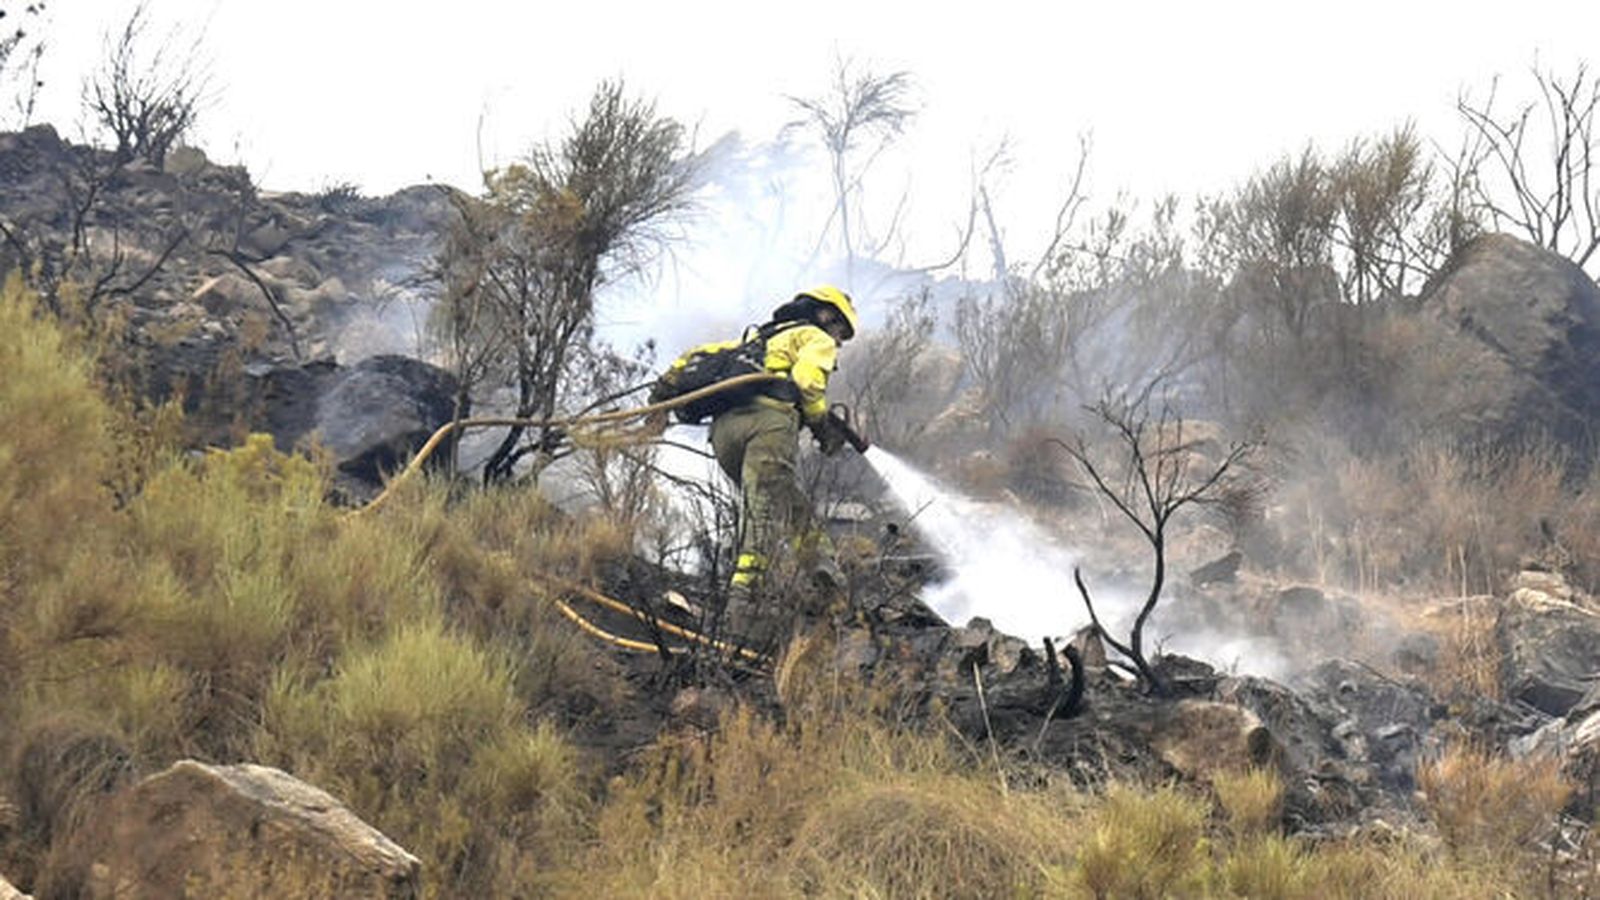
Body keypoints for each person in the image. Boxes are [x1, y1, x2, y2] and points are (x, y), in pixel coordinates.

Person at [660, 285, 860, 643]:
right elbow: (808, 383)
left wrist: (657, 403)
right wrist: (821, 427)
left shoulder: (758, 341)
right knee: (763, 516)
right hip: (769, 426)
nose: (839, 342)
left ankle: (826, 576)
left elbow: (688, 360)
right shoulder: (815, 337)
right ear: (825, 315)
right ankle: (743, 608)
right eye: (840, 332)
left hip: (725, 435)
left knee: (785, 503)